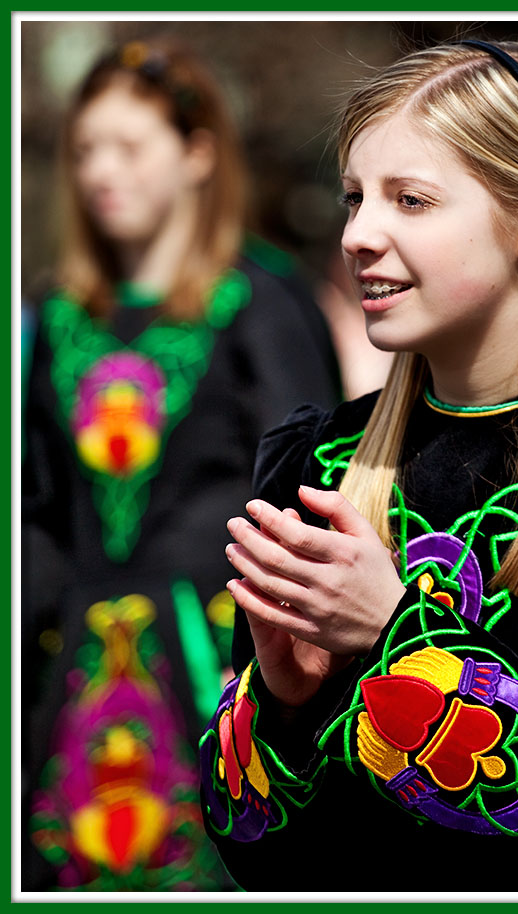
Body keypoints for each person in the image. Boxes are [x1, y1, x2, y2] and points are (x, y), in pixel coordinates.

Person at [200, 40, 518, 893]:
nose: (359, 235)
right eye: (355, 198)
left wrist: (393, 633)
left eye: (412, 200)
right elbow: (252, 850)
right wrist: (285, 707)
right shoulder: (319, 459)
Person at [22, 37, 339, 891]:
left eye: (129, 147)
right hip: (73, 678)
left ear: (198, 155)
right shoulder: (55, 314)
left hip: (216, 661)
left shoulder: (259, 301)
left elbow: (311, 487)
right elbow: (40, 506)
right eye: (85, 149)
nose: (101, 172)